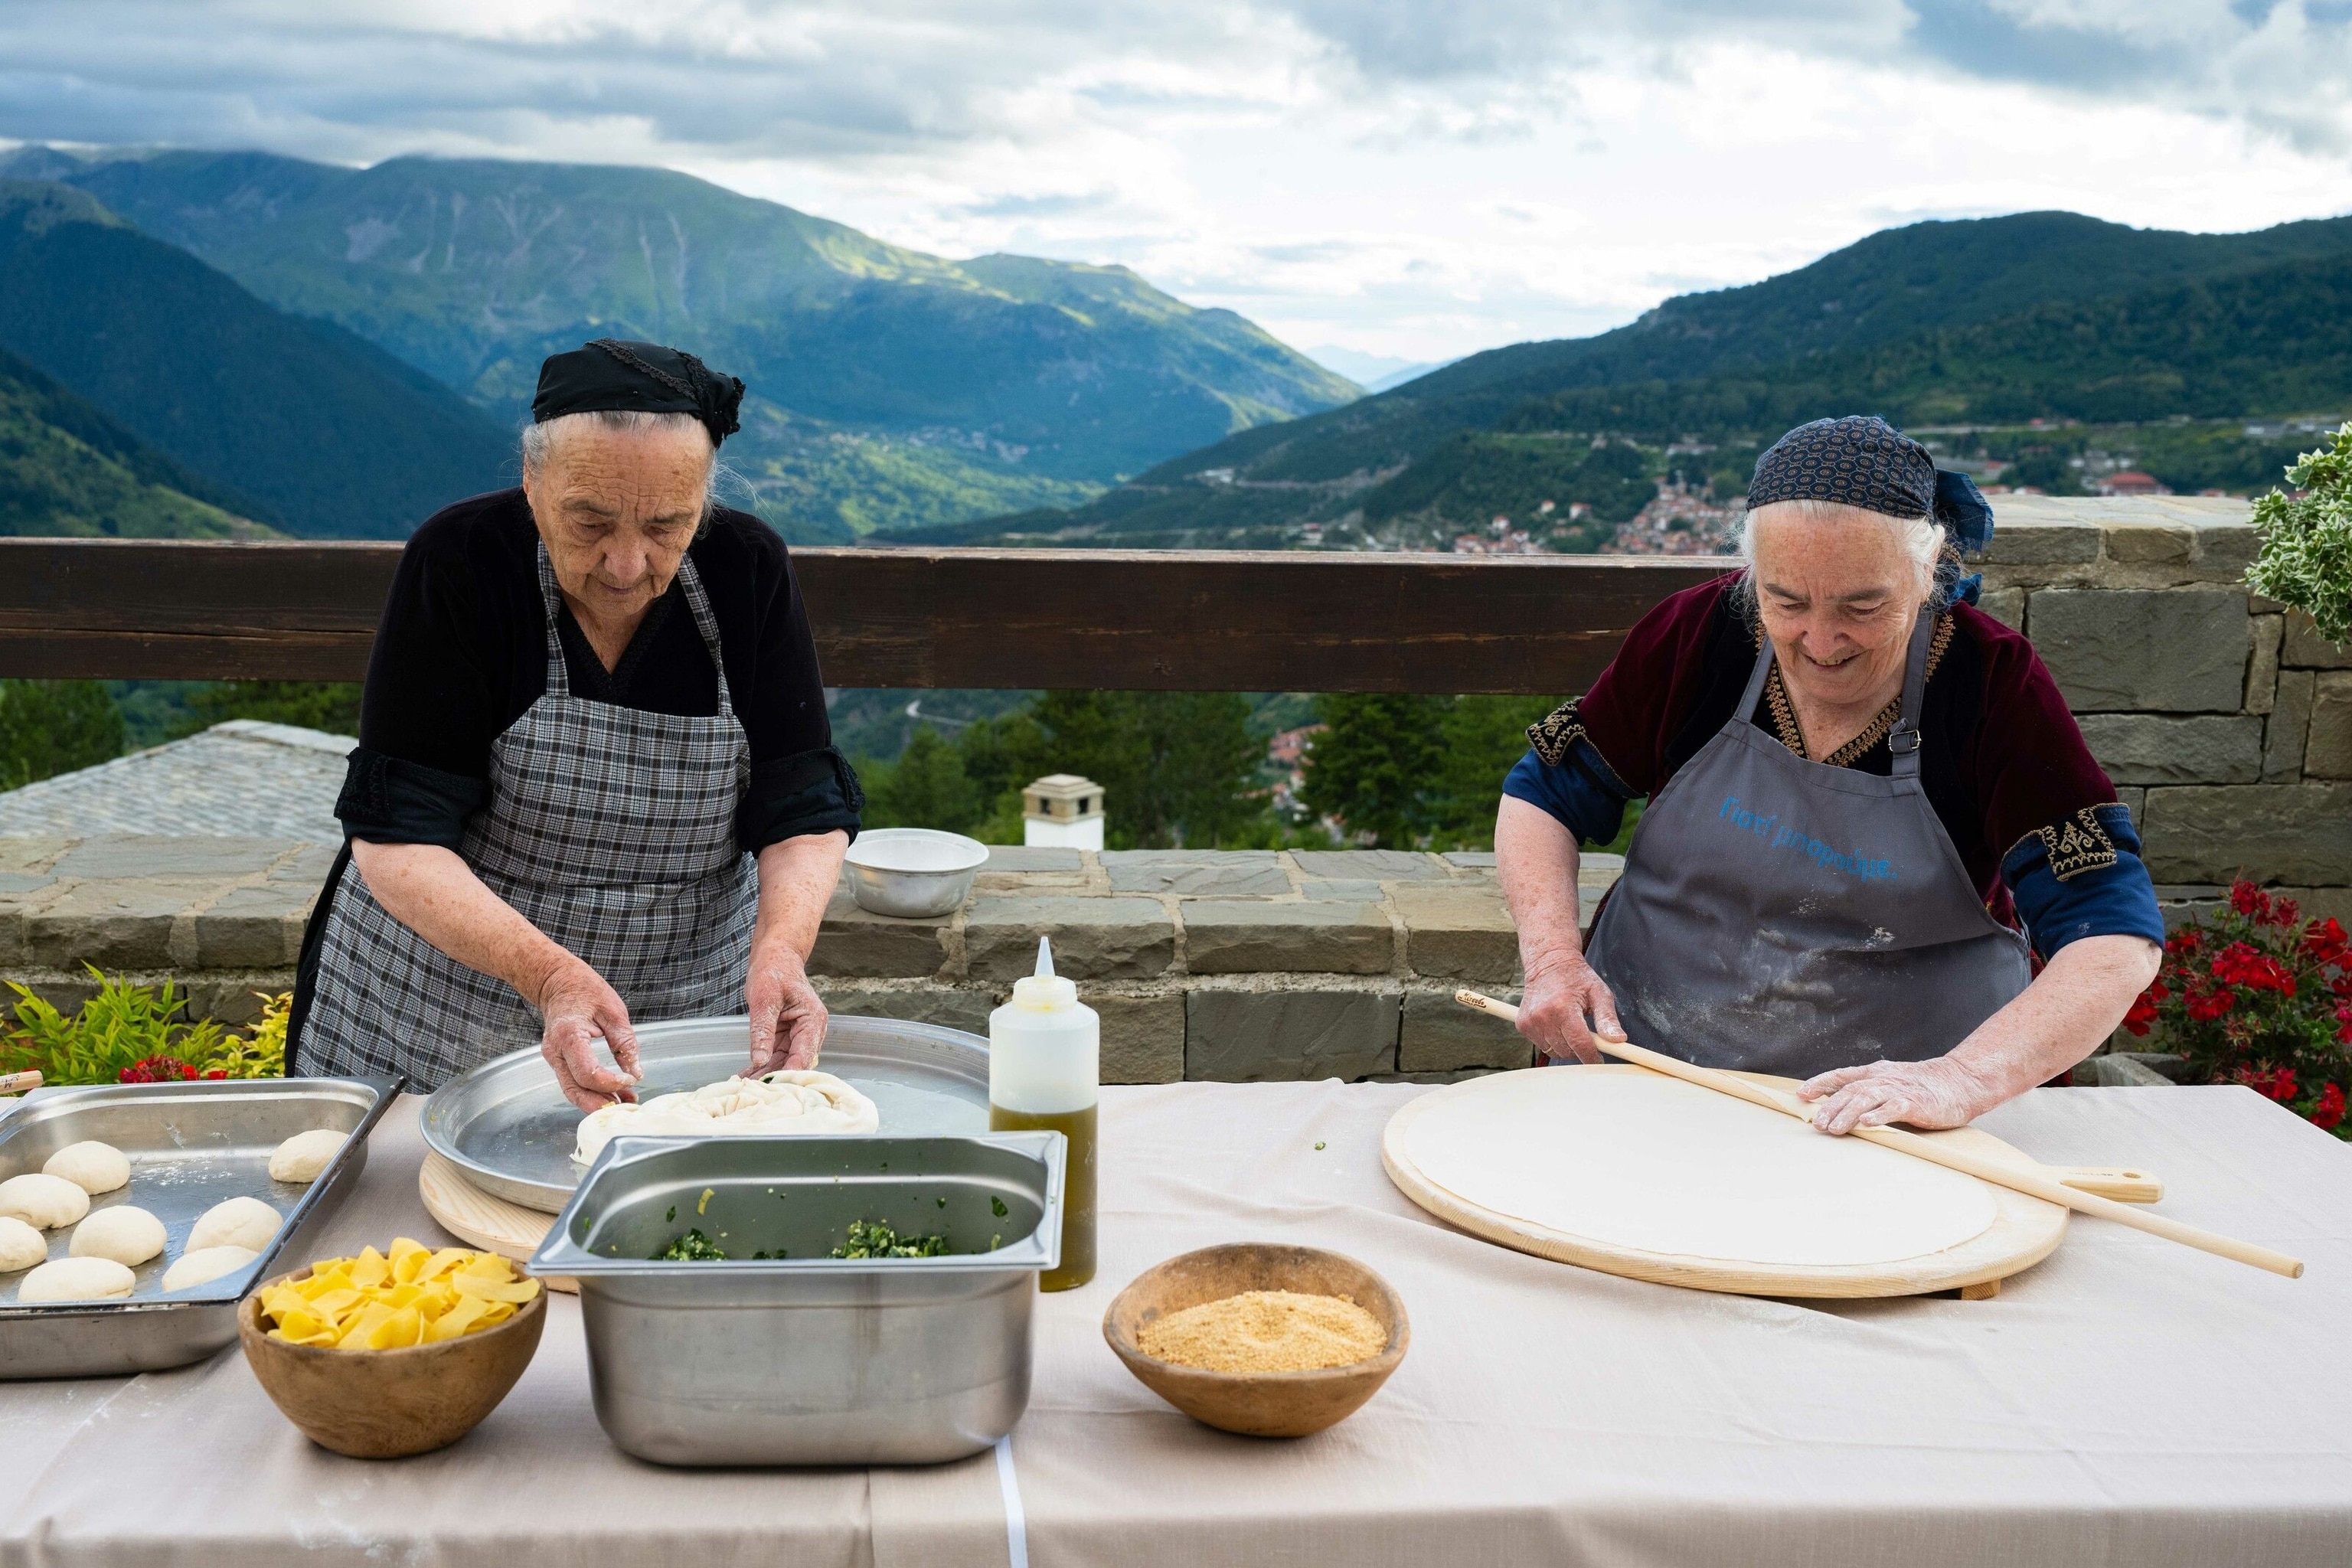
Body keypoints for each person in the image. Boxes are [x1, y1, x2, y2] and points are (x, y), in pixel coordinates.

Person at [1495, 415, 2162, 1136]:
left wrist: (1960, 1080)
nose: (1819, 640)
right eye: (1786, 600)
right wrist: (1554, 960)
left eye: (1862, 606)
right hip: (1646, 1072)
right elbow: (1542, 794)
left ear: (1930, 567)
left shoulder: (1990, 684)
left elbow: (2113, 935)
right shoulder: (1696, 635)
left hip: (1894, 1118)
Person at [289, 339, 861, 1112]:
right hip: (442, 1016)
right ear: (532, 480)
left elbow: (800, 808)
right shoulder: (462, 564)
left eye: (667, 524)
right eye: (589, 520)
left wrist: (782, 951)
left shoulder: (746, 570)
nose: (626, 564)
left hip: (681, 1017)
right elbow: (400, 837)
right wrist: (550, 973)